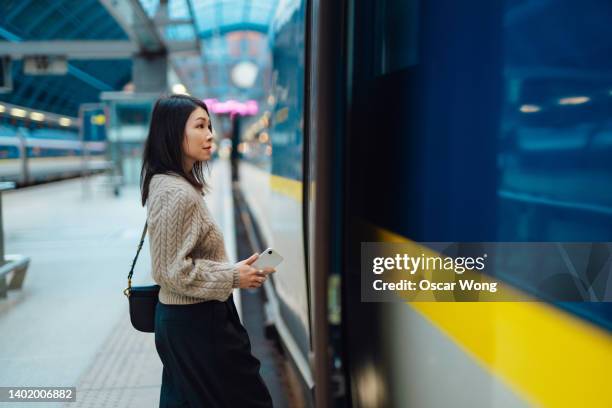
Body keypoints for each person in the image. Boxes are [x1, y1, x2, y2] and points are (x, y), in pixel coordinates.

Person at [140, 94, 274, 407]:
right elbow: (172, 271)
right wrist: (232, 277)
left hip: (186, 323)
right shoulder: (176, 193)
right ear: (174, 132)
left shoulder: (168, 184)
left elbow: (179, 262)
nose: (210, 134)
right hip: (197, 324)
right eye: (200, 126)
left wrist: (235, 270)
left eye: (209, 125)